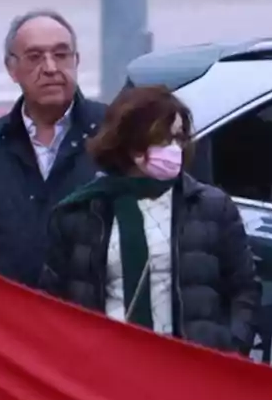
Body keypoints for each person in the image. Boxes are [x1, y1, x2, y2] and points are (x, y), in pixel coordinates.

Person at [39, 84, 260, 354]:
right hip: (106, 366)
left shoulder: (210, 207)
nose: (175, 149)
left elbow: (244, 289)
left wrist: (231, 347)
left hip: (191, 367)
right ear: (131, 144)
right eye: (163, 140)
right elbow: (53, 302)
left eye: (179, 138)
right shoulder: (79, 212)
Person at [0, 10, 107, 287]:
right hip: (9, 322)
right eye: (35, 57)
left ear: (76, 61)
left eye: (61, 55)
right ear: (12, 69)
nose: (50, 68)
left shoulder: (114, 134)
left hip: (93, 321)